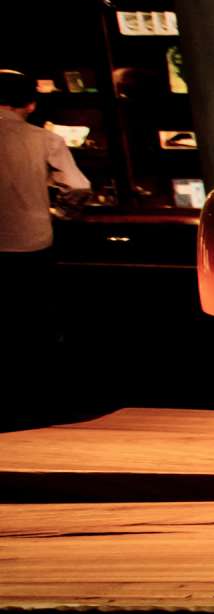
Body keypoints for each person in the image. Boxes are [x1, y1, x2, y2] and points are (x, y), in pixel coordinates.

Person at [0, 67, 91, 429]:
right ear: (31, 102)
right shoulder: (44, 140)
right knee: (34, 330)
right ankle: (41, 410)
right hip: (32, 243)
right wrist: (59, 211)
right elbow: (79, 186)